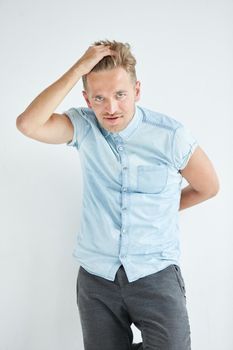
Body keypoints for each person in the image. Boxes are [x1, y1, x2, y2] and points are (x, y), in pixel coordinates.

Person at [16, 39, 220, 350]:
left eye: (120, 95)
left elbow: (209, 187)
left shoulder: (171, 136)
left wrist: (162, 210)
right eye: (99, 98)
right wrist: (78, 68)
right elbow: (28, 124)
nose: (110, 108)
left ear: (137, 90)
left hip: (155, 273)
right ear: (87, 98)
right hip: (97, 278)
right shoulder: (83, 127)